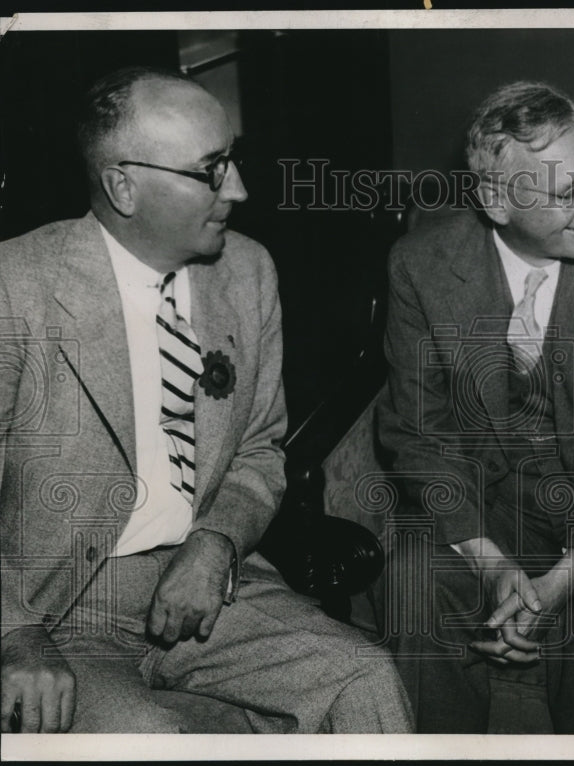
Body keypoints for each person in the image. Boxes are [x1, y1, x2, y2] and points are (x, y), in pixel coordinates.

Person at [0, 65, 413, 734]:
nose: (239, 189)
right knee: (152, 739)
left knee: (366, 676)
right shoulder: (15, 287)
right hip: (56, 610)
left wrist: (217, 541)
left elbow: (259, 447)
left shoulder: (247, 270)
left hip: (208, 586)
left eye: (234, 160)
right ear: (123, 186)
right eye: (211, 170)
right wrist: (13, 633)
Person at [375, 80, 574, 733]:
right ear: (496, 200)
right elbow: (417, 434)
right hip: (487, 504)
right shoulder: (421, 265)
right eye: (567, 193)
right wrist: (491, 563)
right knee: (413, 582)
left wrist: (560, 582)